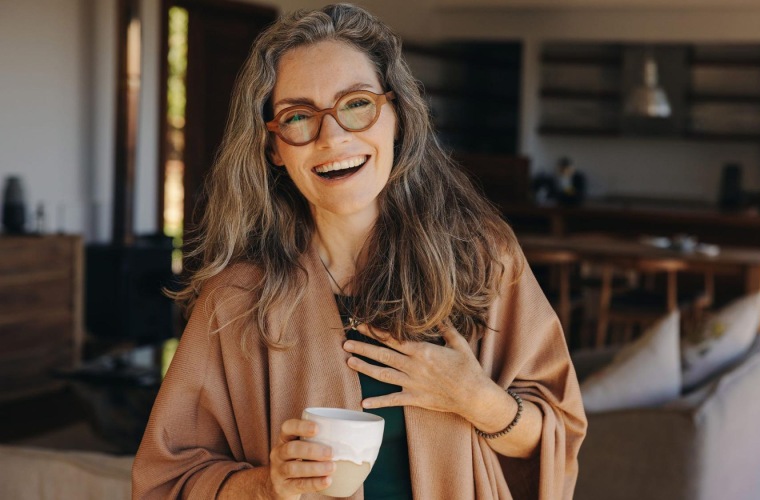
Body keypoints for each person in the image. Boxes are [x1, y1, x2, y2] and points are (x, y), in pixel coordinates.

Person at [132, 4, 586, 499]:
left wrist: (478, 400)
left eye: (356, 104)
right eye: (299, 116)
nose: (333, 137)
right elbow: (166, 481)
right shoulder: (236, 299)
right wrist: (266, 485)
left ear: (397, 115)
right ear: (273, 147)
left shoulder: (481, 259)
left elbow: (556, 439)